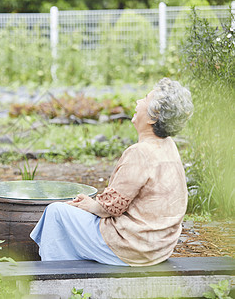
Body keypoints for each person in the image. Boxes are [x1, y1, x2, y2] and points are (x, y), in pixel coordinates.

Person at [30, 78, 194, 267]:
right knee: (69, 213)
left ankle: (56, 278)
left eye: (145, 99)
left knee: (56, 212)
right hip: (159, 247)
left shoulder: (140, 152)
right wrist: (93, 204)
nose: (138, 102)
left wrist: (92, 205)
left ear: (152, 117)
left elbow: (110, 208)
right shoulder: (168, 146)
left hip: (133, 247)